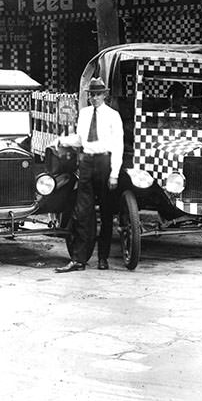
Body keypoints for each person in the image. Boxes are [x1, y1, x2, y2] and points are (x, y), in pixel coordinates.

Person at [55, 77, 124, 272]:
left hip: (104, 163)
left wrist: (114, 174)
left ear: (105, 95)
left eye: (98, 94)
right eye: (91, 95)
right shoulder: (84, 114)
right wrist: (62, 141)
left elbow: (118, 146)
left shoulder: (113, 116)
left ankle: (103, 257)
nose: (94, 98)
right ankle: (79, 260)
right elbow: (80, 139)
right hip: (86, 163)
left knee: (106, 212)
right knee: (82, 212)